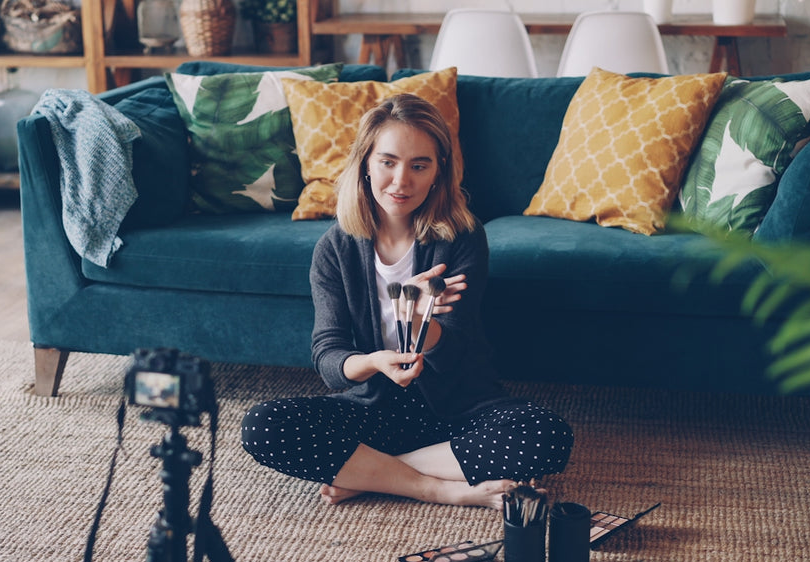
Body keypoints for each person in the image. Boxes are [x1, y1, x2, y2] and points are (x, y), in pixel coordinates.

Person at [241, 93, 573, 509]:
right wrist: (375, 361)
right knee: (262, 426)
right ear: (365, 163)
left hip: (456, 408)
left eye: (420, 165)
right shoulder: (334, 250)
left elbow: (456, 356)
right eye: (388, 161)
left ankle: (372, 474)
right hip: (372, 409)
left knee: (546, 434)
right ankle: (436, 487)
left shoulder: (462, 239)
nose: (401, 181)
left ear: (439, 172)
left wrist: (419, 321)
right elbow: (329, 358)